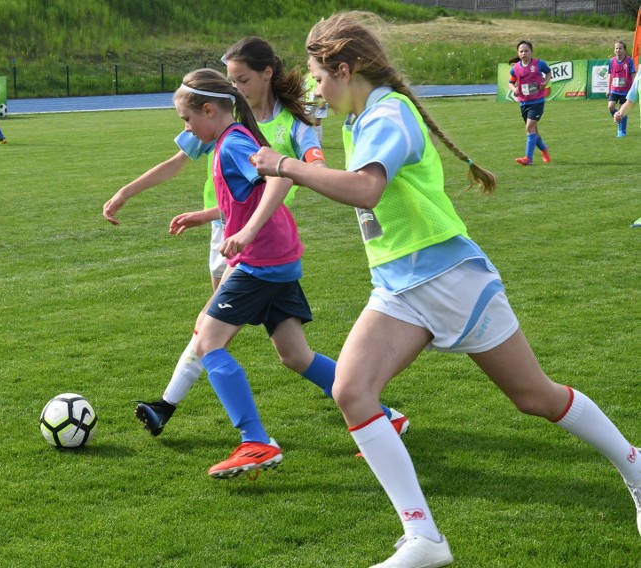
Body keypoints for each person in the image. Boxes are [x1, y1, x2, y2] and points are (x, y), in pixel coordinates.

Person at [253, 11, 641, 567]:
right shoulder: (357, 119)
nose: (315, 86)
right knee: (352, 391)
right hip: (397, 287)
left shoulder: (390, 114)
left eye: (318, 74)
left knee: (535, 397)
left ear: (344, 68)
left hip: (450, 279)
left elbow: (365, 190)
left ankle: (636, 466)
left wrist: (285, 164)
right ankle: (424, 539)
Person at [133, 36, 408, 441]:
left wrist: (245, 232)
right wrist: (214, 218)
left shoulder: (234, 142)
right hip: (275, 256)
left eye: (185, 120)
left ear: (210, 110)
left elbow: (282, 175)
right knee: (295, 354)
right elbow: (251, 193)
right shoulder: (229, 137)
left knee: (209, 341)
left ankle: (254, 441)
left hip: (260, 259)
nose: (185, 129)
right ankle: (385, 416)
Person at [508, 40, 551, 166]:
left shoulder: (539, 64)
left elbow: (548, 72)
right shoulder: (515, 68)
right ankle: (544, 150)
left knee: (529, 127)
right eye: (521, 51)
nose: (523, 53)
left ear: (531, 52)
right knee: (534, 131)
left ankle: (528, 158)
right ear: (518, 53)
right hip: (523, 103)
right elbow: (510, 82)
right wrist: (514, 89)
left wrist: (545, 82)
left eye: (526, 51)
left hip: (537, 101)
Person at [606, 41, 636, 138]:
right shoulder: (611, 61)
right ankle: (619, 119)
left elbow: (632, 75)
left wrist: (633, 88)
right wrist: (608, 89)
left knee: (622, 110)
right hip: (614, 89)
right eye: (616, 48)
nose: (618, 50)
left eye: (620, 48)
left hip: (626, 90)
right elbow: (610, 76)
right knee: (611, 107)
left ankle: (622, 131)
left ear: (624, 50)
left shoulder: (629, 61)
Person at [304, 72, 328, 144]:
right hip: (309, 102)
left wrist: (324, 101)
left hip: (319, 102)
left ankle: (319, 141)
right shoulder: (308, 76)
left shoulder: (320, 75)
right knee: (306, 121)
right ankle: (309, 140)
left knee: (317, 123)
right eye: (308, 65)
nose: (309, 67)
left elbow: (325, 88)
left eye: (310, 65)